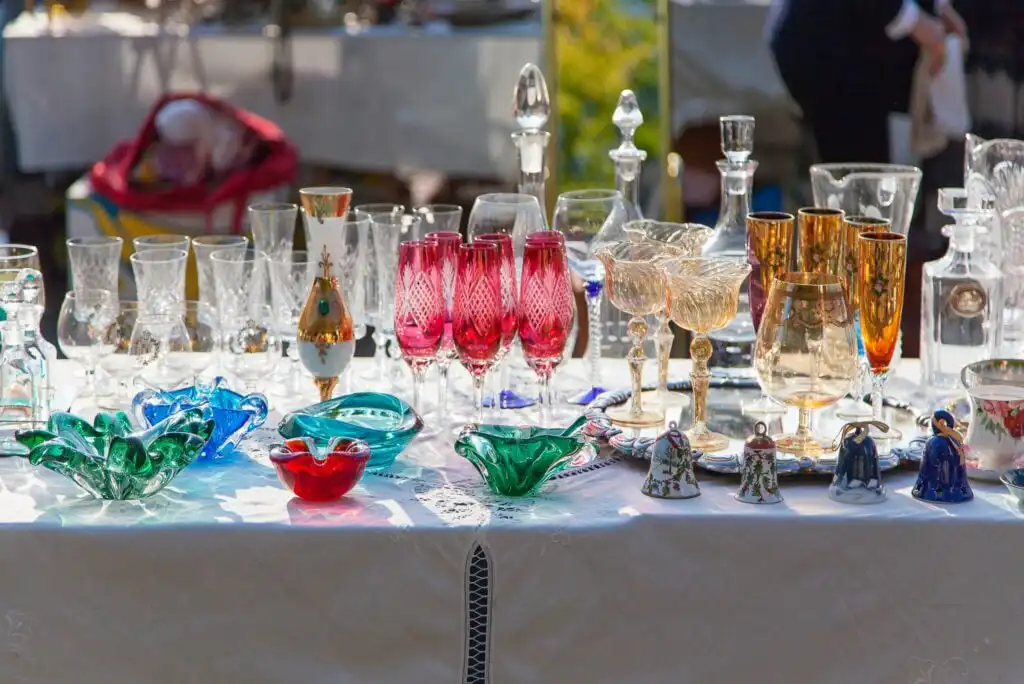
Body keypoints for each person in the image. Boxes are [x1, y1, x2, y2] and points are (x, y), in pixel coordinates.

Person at [768, 0, 967, 164]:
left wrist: (936, 7)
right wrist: (915, 20)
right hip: (835, 52)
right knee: (858, 183)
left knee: (870, 179)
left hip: (863, 52)